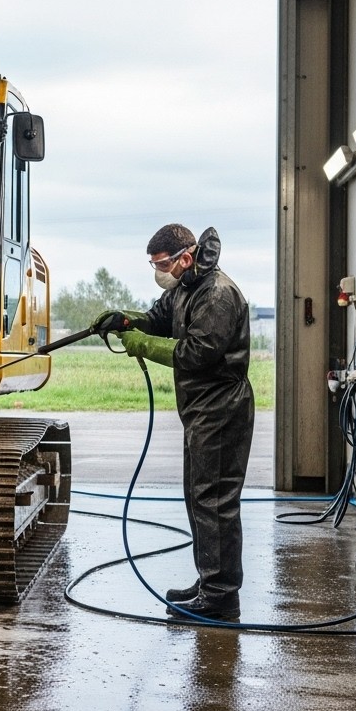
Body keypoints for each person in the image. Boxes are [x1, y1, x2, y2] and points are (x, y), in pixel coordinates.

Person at [94, 224, 254, 621]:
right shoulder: (184, 287)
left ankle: (221, 598)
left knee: (214, 502)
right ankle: (209, 583)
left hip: (222, 407)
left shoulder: (217, 293)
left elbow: (198, 352)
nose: (159, 272)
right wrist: (126, 320)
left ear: (185, 257)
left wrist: (143, 345)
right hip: (200, 409)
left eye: (162, 264)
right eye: (154, 265)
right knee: (199, 498)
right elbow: (157, 319)